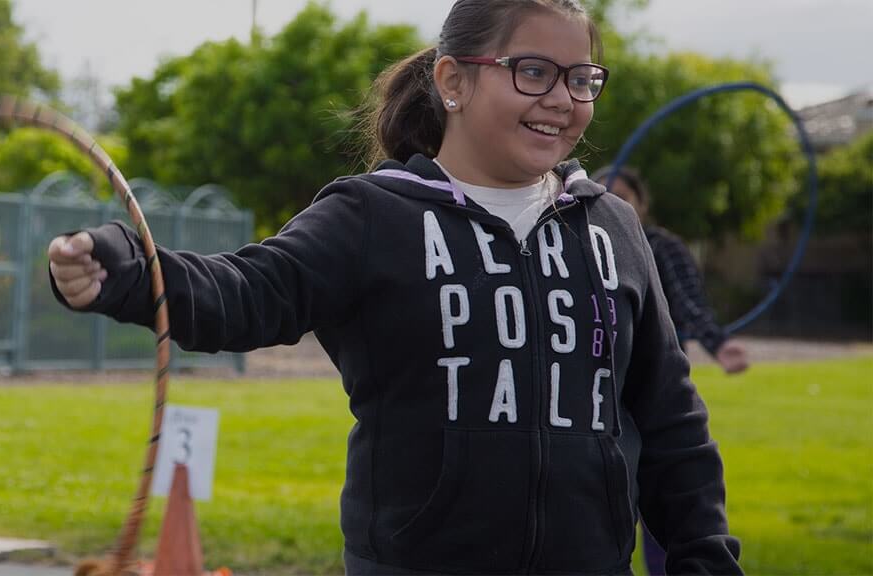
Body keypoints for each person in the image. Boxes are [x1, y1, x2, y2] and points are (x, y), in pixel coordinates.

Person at [47, 0, 741, 573]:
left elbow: (671, 423)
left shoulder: (612, 228)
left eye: (581, 78)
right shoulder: (374, 215)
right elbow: (246, 290)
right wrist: (125, 268)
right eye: (533, 72)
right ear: (452, 81)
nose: (561, 99)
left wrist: (704, 559)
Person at [593, 165, 750, 576]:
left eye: (624, 196)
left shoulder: (658, 247)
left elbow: (687, 301)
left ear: (642, 204)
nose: (611, 202)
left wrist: (719, 344)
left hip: (645, 400)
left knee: (666, 508)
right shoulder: (574, 237)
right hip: (592, 406)